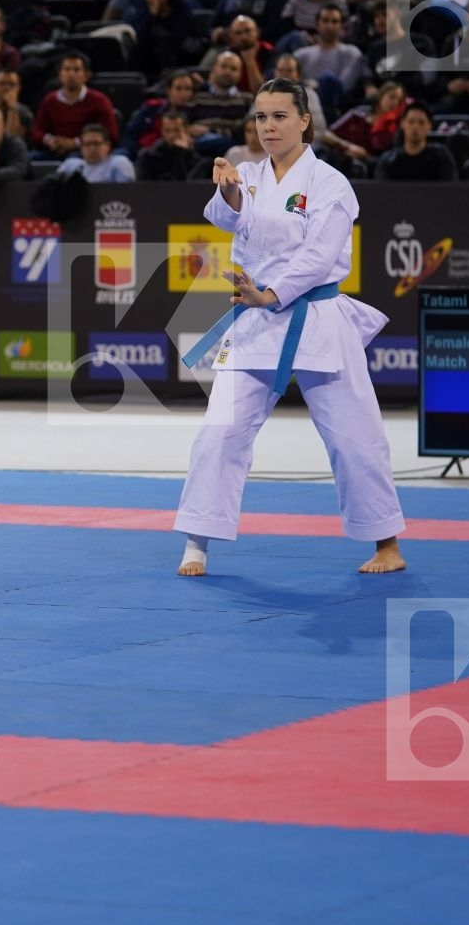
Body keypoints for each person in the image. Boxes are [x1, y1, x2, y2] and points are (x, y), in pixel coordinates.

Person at [174, 77, 406, 578]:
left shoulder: (330, 184)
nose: (268, 126)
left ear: (305, 121)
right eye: (261, 117)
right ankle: (197, 541)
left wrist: (272, 293)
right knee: (220, 432)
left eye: (280, 116)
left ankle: (386, 543)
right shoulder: (251, 174)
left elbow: (320, 256)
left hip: (316, 317)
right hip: (256, 321)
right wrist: (230, 193)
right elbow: (224, 220)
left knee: (353, 437)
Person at [373, 100, 457, 181]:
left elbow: (450, 191)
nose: (415, 127)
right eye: (411, 121)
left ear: (429, 126)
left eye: (421, 122)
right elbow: (382, 192)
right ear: (403, 123)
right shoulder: (388, 161)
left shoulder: (440, 156)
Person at [56, 122, 135, 181]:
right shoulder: (70, 165)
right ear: (81, 146)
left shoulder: (119, 163)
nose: (92, 148)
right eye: (87, 144)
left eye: (96, 143)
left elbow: (126, 193)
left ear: (107, 145)